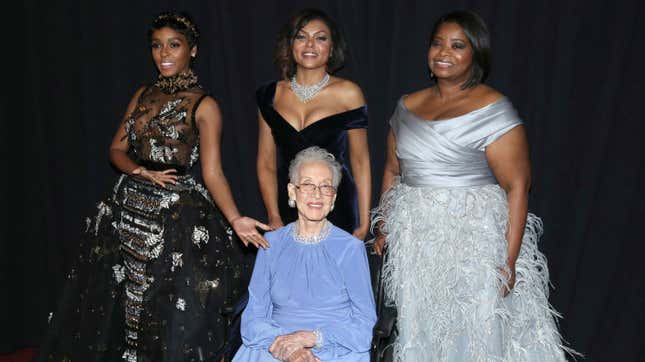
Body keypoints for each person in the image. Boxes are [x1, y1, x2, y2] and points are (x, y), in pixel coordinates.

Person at [36, 11, 270, 362]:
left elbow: (213, 172)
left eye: (173, 46)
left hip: (174, 218)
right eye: (157, 46)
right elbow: (116, 149)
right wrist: (140, 172)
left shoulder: (205, 106)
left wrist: (236, 219)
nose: (164, 54)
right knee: (114, 302)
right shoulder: (143, 94)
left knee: (169, 307)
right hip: (125, 207)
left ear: (192, 50)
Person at [371, 10, 579, 361]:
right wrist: (383, 225)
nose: (443, 53)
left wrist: (509, 261)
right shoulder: (407, 106)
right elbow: (392, 171)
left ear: (475, 55)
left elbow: (517, 186)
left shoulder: (494, 110)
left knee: (474, 330)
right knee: (418, 326)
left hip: (473, 241)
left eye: (457, 46)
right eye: (437, 44)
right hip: (416, 241)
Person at [233, 147, 376, 362]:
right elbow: (253, 317)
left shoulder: (350, 248)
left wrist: (311, 338)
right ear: (292, 191)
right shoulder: (270, 244)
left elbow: (365, 325)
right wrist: (289, 348)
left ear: (334, 196)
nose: (317, 194)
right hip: (275, 347)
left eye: (325, 186)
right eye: (307, 184)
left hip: (336, 349)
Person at [256, 8, 371, 239]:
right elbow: (266, 163)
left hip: (336, 204)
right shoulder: (270, 95)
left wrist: (364, 221)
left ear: (331, 48)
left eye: (320, 38)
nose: (310, 44)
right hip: (288, 204)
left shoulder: (348, 93)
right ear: (290, 44)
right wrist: (273, 215)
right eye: (301, 36)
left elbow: (360, 160)